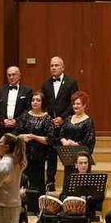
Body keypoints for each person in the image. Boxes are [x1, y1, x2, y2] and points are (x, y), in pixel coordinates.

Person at [40, 56, 78, 191]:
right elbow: (43, 104)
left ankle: (70, 183)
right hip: (51, 124)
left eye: (56, 65)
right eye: (52, 65)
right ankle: (50, 182)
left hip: (66, 124)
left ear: (63, 67)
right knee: (51, 154)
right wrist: (50, 119)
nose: (54, 68)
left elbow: (73, 103)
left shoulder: (71, 82)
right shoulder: (45, 84)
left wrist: (62, 117)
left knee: (67, 154)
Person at [15, 92, 54, 196]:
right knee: (22, 181)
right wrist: (22, 136)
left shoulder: (47, 118)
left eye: (38, 100)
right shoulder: (25, 116)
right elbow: (16, 134)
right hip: (24, 154)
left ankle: (36, 203)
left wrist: (34, 137)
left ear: (43, 102)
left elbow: (49, 140)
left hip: (39, 156)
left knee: (37, 182)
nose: (35, 102)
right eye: (33, 100)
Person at [57, 91, 96, 161]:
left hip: (82, 158)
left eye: (78, 104)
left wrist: (74, 144)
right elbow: (61, 134)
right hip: (68, 155)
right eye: (74, 104)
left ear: (84, 105)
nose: (75, 106)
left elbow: (89, 141)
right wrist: (64, 141)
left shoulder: (89, 121)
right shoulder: (68, 119)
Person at [0, 65, 33, 134]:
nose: (11, 77)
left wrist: (17, 121)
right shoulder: (2, 90)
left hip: (21, 127)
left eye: (13, 75)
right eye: (9, 75)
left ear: (19, 76)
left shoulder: (27, 90)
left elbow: (29, 109)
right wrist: (3, 120)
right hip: (4, 127)